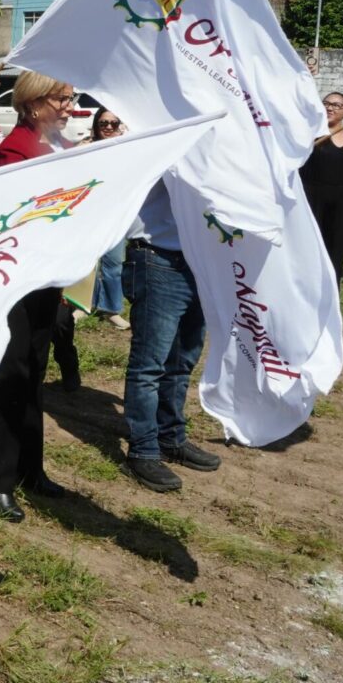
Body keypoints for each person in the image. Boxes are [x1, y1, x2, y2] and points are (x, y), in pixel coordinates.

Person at [0, 71, 75, 522]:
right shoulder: (14, 149)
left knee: (35, 371)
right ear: (34, 104)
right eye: (62, 99)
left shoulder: (66, 147)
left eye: (70, 99)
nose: (69, 107)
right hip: (17, 281)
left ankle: (30, 468)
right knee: (10, 374)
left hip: (49, 279)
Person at [121, 180, 222, 493]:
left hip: (199, 260)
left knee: (182, 360)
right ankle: (143, 450)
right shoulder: (166, 134)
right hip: (157, 255)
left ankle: (170, 437)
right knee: (149, 364)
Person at [300, 92, 343, 281]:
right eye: (326, 103)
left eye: (337, 105)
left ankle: (330, 294)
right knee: (308, 250)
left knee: (335, 250)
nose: (330, 108)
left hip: (340, 204)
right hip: (310, 200)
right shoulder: (309, 134)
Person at [88, 108, 130, 329]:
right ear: (96, 124)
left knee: (113, 263)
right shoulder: (85, 148)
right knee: (87, 262)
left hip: (116, 213)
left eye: (113, 123)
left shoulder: (126, 148)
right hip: (90, 213)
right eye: (104, 123)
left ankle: (111, 309)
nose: (108, 127)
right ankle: (82, 305)